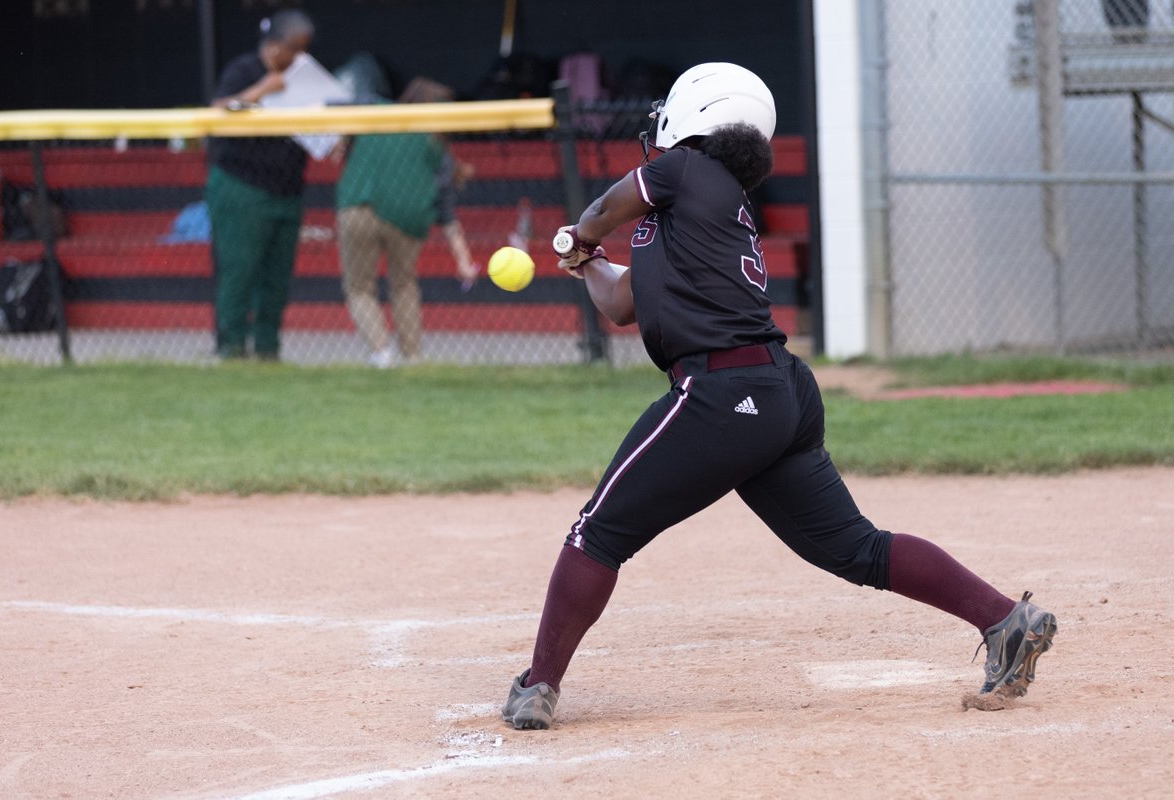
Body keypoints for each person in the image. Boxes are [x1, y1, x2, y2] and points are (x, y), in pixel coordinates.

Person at [501, 63, 1058, 730]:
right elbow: (623, 303)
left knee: (598, 533)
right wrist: (587, 264)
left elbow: (599, 211)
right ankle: (1005, 619)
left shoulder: (685, 172)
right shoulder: (698, 207)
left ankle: (538, 685)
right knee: (854, 547)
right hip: (777, 392)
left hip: (721, 392)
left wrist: (579, 236)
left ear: (696, 117)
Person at [335, 77, 478, 367]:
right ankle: (412, 356)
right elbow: (447, 210)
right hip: (409, 218)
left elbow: (342, 113)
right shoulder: (436, 145)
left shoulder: (373, 113)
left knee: (359, 288)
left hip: (360, 208)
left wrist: (342, 142)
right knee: (404, 285)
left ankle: (381, 353)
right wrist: (463, 260)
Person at [205, 10, 315, 361]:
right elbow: (219, 110)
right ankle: (231, 347)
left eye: (303, 49)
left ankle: (268, 349)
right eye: (292, 48)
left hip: (287, 190)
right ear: (271, 46)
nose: (298, 56)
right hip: (242, 187)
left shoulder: (301, 78)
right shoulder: (244, 70)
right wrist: (263, 89)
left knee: (277, 277)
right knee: (239, 270)